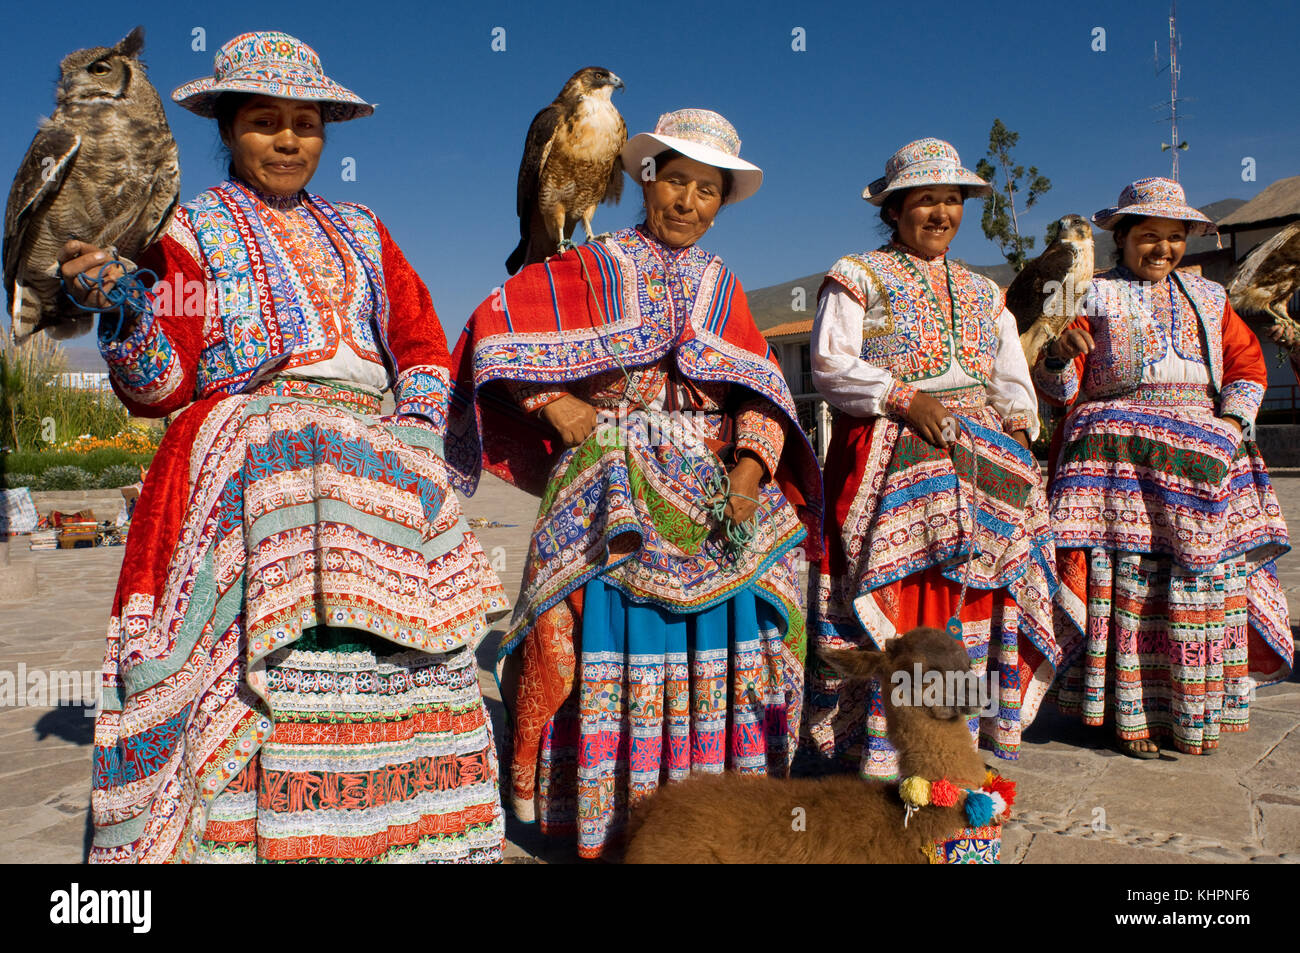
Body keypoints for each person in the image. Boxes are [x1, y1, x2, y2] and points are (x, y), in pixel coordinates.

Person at [65, 32, 508, 862]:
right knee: (262, 668)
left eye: (305, 123)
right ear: (228, 131)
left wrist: (413, 437)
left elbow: (421, 344)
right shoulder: (192, 229)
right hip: (251, 458)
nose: (289, 139)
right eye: (265, 121)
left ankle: (394, 834)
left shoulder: (363, 231)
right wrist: (126, 312)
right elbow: (162, 385)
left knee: (399, 655)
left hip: (372, 463)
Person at [447, 109, 823, 858]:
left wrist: (748, 474)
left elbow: (764, 396)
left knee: (759, 601)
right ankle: (609, 815)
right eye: (674, 181)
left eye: (707, 190)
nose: (687, 202)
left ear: (722, 202)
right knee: (590, 620)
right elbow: (491, 330)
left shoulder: (725, 286)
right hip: (613, 467)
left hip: (715, 480)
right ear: (645, 182)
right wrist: (554, 402)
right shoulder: (593, 263)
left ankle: (719, 810)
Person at [807, 138, 1063, 781]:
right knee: (908, 590)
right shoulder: (857, 275)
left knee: (974, 592)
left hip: (983, 468)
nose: (942, 212)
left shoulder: (985, 291)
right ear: (895, 210)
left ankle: (951, 743)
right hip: (890, 455)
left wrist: (1019, 430)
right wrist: (902, 397)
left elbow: (1009, 377)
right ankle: (889, 753)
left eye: (952, 200)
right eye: (926, 199)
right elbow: (831, 365)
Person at [1035, 177, 1292, 758]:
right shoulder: (1089, 295)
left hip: (1204, 449)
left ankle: (1193, 707)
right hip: (1118, 455)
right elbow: (1059, 388)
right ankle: (1127, 713)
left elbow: (1248, 366)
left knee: (1200, 579)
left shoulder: (1210, 299)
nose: (1162, 249)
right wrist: (1057, 356)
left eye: (1174, 238)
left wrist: (1233, 425)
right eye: (1148, 236)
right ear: (1121, 238)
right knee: (1132, 584)